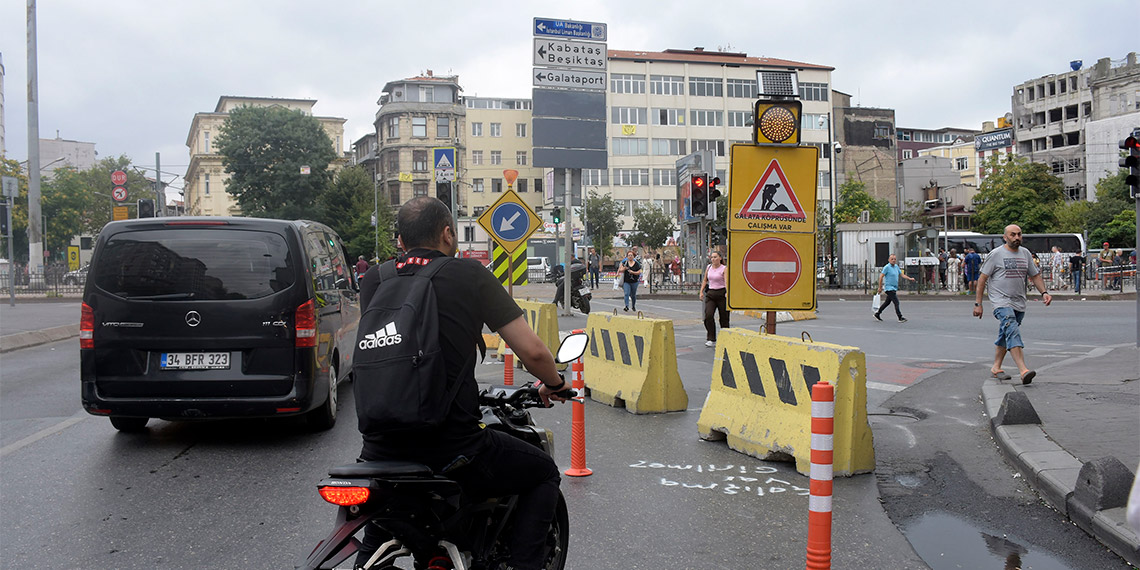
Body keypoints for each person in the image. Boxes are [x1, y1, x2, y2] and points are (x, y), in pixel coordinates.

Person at [356, 197, 568, 570]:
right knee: (543, 473)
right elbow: (533, 353)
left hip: (379, 448)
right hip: (452, 446)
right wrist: (554, 383)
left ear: (400, 242)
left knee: (381, 514)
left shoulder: (375, 278)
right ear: (449, 234)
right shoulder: (469, 275)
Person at [973, 224, 1052, 385]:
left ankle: (996, 367)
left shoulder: (1025, 254)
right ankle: (1023, 370)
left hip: (1019, 302)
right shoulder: (996, 254)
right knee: (1011, 329)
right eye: (1012, 235)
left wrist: (1044, 292)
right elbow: (982, 279)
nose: (1016, 238)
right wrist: (978, 304)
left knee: (1006, 333)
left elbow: (1035, 275)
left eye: (1019, 235)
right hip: (1001, 302)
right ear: (1005, 237)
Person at [699, 251, 730, 347]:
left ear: (720, 258)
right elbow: (705, 280)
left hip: (721, 294)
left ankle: (725, 338)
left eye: (715, 257)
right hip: (711, 294)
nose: (713, 259)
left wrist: (728, 293)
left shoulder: (724, 269)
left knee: (724, 318)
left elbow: (726, 282)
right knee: (708, 315)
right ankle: (711, 338)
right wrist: (701, 291)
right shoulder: (708, 267)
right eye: (712, 257)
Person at [875, 254, 916, 322]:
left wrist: (910, 278)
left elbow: (902, 275)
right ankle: (900, 317)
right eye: (892, 259)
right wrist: (880, 287)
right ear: (889, 260)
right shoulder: (887, 267)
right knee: (896, 302)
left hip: (894, 288)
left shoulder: (896, 267)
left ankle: (877, 314)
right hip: (889, 288)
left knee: (887, 302)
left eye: (894, 259)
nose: (893, 260)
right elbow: (881, 277)